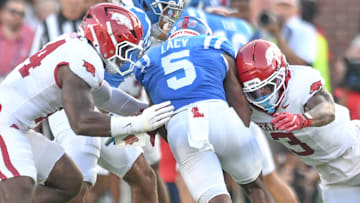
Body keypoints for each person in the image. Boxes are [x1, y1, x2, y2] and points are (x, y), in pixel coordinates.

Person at [0, 3, 174, 203]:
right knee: (19, 192)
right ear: (105, 38)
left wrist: (147, 111)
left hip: (19, 127)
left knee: (69, 182)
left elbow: (108, 97)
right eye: (125, 49)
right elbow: (81, 122)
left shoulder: (84, 50)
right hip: (5, 123)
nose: (127, 59)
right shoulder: (82, 60)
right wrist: (139, 123)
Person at [47, 1, 184, 202]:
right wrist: (127, 124)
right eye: (165, 7)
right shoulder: (138, 22)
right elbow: (100, 85)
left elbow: (107, 92)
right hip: (80, 108)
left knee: (145, 177)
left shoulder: (134, 17)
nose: (169, 16)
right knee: (79, 186)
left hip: (99, 104)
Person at [135, 16, 272, 203]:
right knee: (255, 186)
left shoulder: (150, 58)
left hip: (181, 126)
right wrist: (241, 133)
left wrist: (178, 140)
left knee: (214, 197)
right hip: (219, 114)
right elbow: (238, 100)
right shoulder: (214, 45)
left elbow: (157, 117)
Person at [235, 39, 360, 203]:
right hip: (333, 176)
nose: (262, 96)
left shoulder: (299, 83)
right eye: (255, 92)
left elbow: (328, 109)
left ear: (283, 74)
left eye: (268, 86)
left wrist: (303, 119)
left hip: (355, 150)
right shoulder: (249, 107)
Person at [260, 0, 317, 66]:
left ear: (298, 10)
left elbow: (301, 63)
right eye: (278, 6)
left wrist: (277, 34)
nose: (281, 11)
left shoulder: (306, 30)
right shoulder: (267, 27)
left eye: (287, 7)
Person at [0, 0, 34, 79]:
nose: (17, 16)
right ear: (1, 13)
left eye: (21, 14)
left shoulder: (31, 36)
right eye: (13, 11)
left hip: (19, 85)